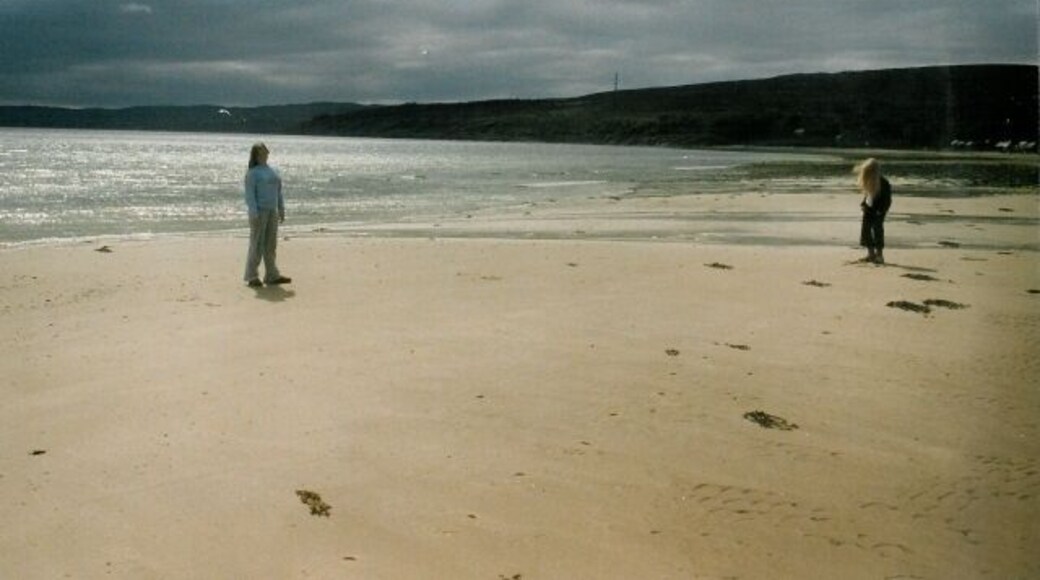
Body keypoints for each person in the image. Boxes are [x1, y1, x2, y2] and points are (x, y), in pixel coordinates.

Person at [243, 142, 291, 287]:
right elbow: (249, 195)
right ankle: (251, 276)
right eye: (261, 151)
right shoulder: (253, 173)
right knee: (256, 244)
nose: (264, 153)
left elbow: (278, 191)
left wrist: (281, 208)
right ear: (256, 155)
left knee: (270, 245)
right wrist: (254, 212)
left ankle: (271, 275)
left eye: (265, 151)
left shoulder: (272, 170)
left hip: (272, 211)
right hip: (259, 211)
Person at [854, 158, 892, 264]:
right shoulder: (869, 180)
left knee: (877, 231)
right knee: (865, 231)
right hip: (868, 209)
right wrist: (863, 205)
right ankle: (871, 254)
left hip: (879, 211)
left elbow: (887, 200)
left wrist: (881, 210)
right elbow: (868, 196)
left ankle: (879, 255)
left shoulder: (884, 183)